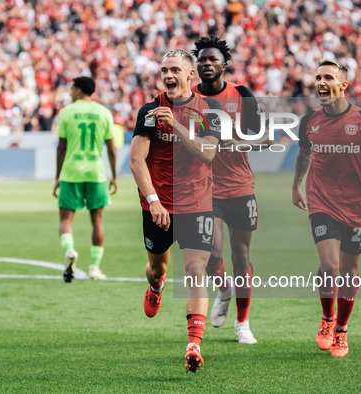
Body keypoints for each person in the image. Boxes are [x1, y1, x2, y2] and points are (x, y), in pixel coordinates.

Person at [292, 59, 361, 357]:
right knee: (330, 265)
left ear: (343, 85)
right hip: (321, 202)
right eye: (318, 77)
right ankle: (327, 319)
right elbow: (303, 154)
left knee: (350, 271)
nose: (321, 82)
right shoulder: (309, 121)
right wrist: (296, 185)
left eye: (328, 77)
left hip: (356, 207)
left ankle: (341, 329)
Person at [130, 49, 221, 373]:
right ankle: (156, 286)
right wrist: (153, 200)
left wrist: (178, 127)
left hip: (197, 202)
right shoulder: (151, 110)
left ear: (190, 76)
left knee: (196, 269)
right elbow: (136, 160)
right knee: (157, 267)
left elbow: (208, 154)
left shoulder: (209, 110)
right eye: (164, 69)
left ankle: (193, 344)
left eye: (175, 70)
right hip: (158, 205)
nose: (168, 75)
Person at [191, 36, 267, 344]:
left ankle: (242, 322)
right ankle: (224, 289)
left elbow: (265, 137)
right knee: (213, 253)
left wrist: (242, 142)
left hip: (239, 186)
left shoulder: (241, 94)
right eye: (202, 60)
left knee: (241, 255)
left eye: (212, 60)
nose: (207, 64)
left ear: (225, 64)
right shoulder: (188, 96)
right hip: (204, 188)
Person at [53, 77, 117, 282]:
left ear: (79, 91)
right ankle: (94, 268)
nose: (69, 92)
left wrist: (57, 176)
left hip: (71, 172)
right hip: (96, 173)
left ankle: (70, 250)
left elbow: (61, 147)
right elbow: (111, 148)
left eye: (72, 88)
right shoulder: (104, 112)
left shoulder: (66, 112)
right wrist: (114, 176)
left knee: (65, 220)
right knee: (97, 221)